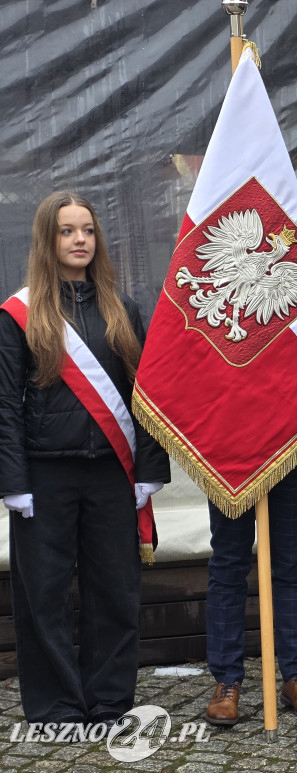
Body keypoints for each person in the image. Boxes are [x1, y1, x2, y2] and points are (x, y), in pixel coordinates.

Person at [0, 191, 170, 726]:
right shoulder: (18, 314)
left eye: (88, 231)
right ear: (48, 241)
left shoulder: (125, 309)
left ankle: (109, 700)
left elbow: (148, 396)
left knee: (115, 591)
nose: (80, 240)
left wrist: (149, 470)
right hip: (44, 475)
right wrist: (12, 481)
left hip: (111, 475)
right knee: (44, 596)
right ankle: (56, 706)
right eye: (68, 231)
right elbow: (4, 402)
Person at [203, 422, 297, 726]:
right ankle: (226, 681)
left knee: (292, 567)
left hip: (294, 446)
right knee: (228, 566)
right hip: (228, 449)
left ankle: (296, 676)